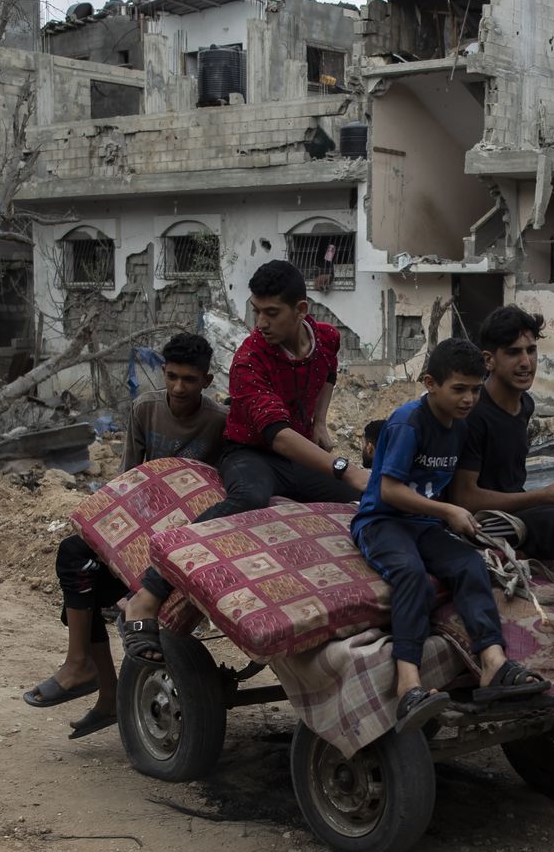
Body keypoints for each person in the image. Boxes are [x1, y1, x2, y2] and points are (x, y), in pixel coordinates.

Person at [114, 260, 368, 665]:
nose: (260, 322)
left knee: (361, 503)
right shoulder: (249, 359)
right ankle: (146, 594)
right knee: (249, 497)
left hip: (300, 450)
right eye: (255, 310)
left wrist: (320, 420)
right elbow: (279, 437)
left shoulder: (326, 337)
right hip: (252, 453)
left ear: (301, 311)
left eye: (271, 312)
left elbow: (329, 371)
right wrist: (345, 467)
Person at [23, 333, 226, 737]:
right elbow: (129, 480)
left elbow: (219, 490)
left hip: (189, 534)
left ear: (206, 379)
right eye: (171, 377)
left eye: (189, 379)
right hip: (143, 524)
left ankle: (100, 688)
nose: (179, 387)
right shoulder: (145, 409)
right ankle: (84, 670)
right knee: (77, 561)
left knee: (87, 587)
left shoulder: (220, 421)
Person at [354, 337, 550, 732]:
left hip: (426, 526)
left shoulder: (460, 428)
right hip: (383, 522)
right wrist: (448, 511)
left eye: (476, 390)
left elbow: (455, 487)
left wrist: (457, 517)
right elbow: (390, 490)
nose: (468, 399)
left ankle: (492, 661)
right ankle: (409, 682)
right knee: (410, 575)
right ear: (430, 383)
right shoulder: (408, 423)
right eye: (458, 389)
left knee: (468, 566)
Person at [448, 306, 554, 579]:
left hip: (515, 511)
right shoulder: (474, 415)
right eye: (513, 352)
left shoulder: (525, 404)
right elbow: (464, 498)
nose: (526, 362)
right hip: (484, 523)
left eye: (531, 350)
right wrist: (542, 496)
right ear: (489, 360)